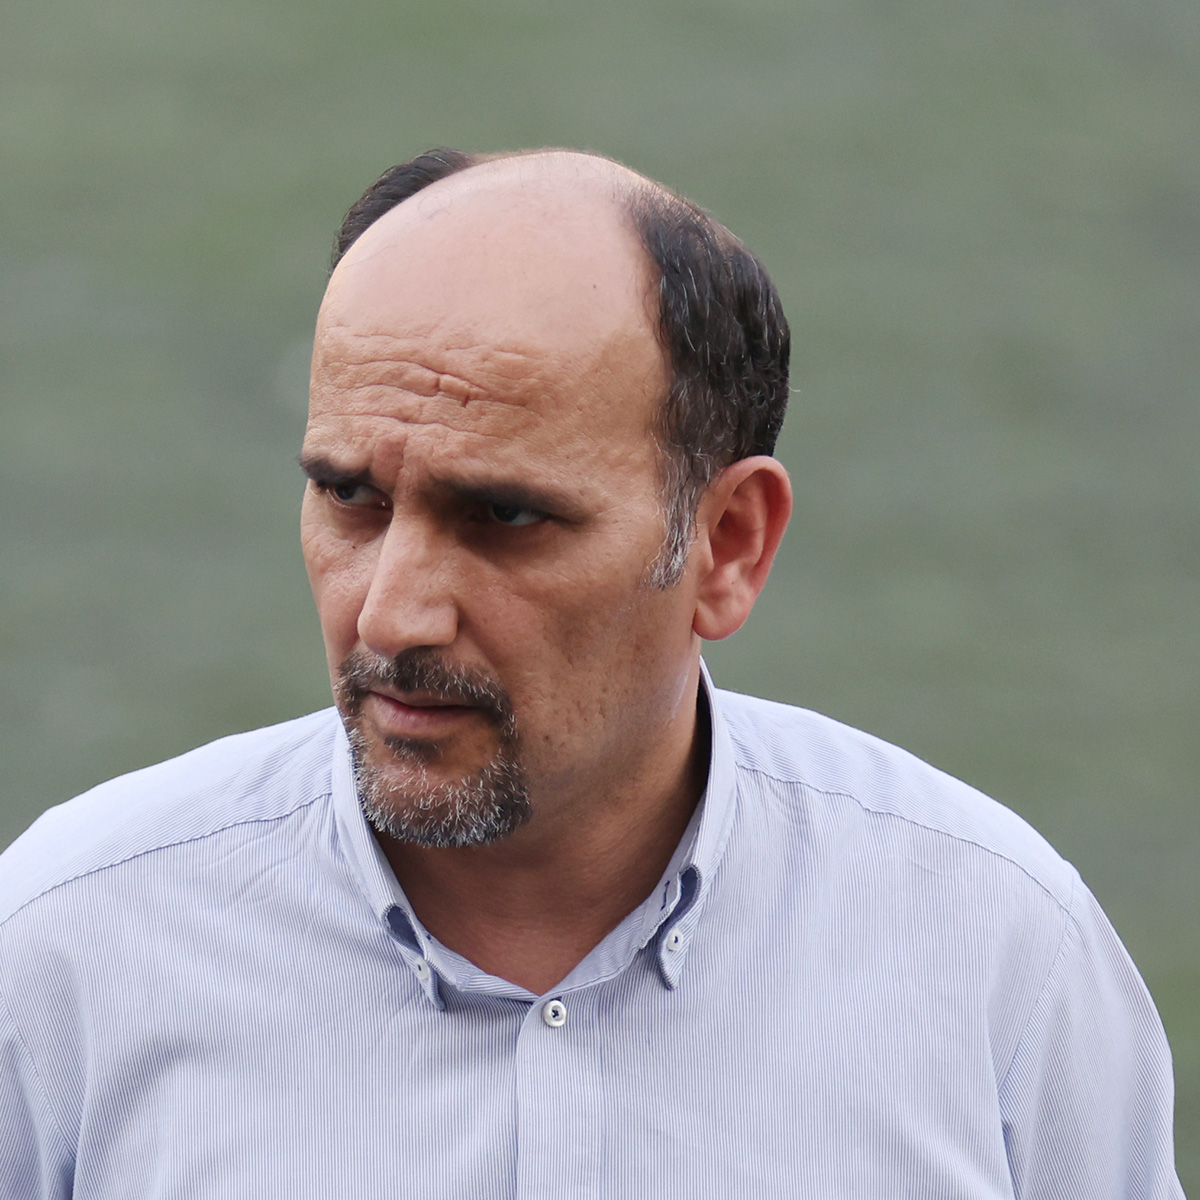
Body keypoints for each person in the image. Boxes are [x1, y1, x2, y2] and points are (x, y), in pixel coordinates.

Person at [0, 148, 1183, 1198]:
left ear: (727, 545)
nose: (393, 614)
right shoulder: (62, 958)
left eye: (505, 516)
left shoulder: (1000, 960)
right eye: (350, 497)